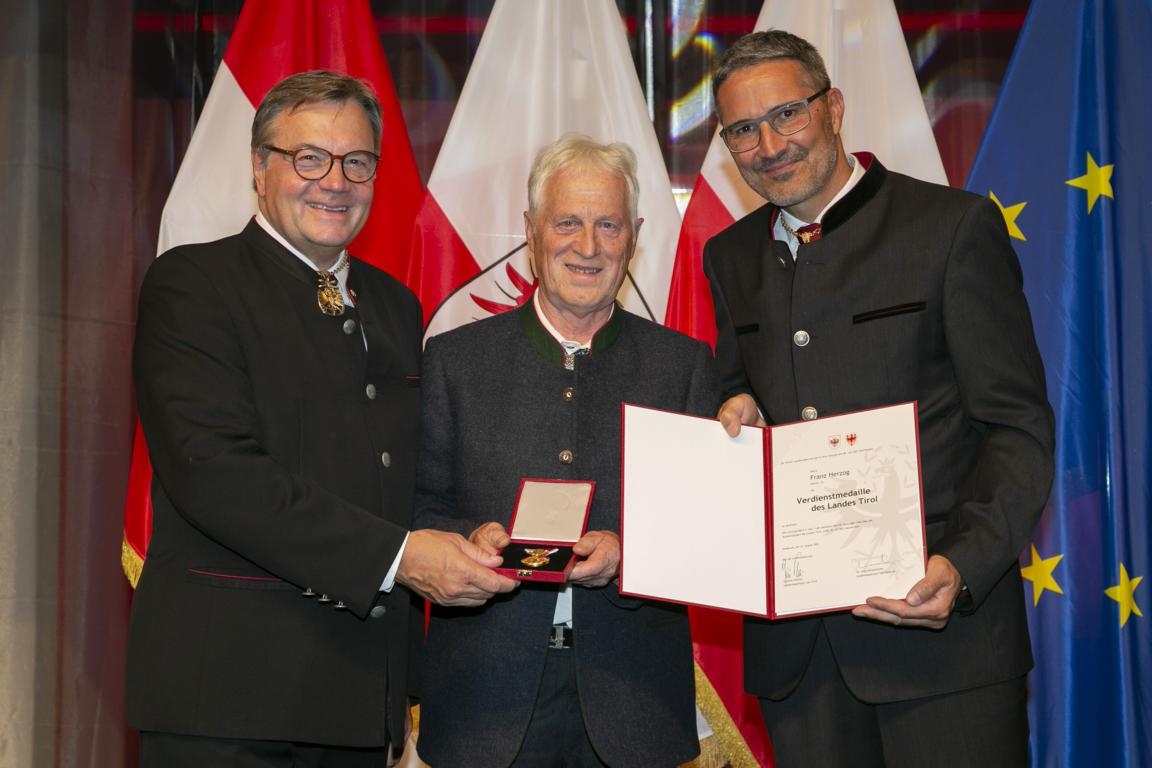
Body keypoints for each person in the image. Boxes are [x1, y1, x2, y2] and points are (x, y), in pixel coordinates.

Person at [126, 70, 516, 767]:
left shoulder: (394, 307)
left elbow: (390, 479)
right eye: (309, 157)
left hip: (362, 701)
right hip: (230, 702)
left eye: (357, 161)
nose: (334, 180)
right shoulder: (193, 285)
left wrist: (462, 533)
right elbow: (216, 475)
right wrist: (402, 557)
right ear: (258, 166)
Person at [703, 31, 1055, 768]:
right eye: (742, 129)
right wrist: (736, 405)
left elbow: (1016, 428)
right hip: (801, 659)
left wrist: (960, 565)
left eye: (788, 115)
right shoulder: (729, 257)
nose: (769, 144)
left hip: (945, 647)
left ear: (833, 107)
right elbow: (744, 383)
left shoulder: (952, 228)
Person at [412, 135, 718, 768]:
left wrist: (628, 557)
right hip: (482, 703)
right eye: (568, 223)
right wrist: (472, 538)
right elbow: (416, 507)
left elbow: (707, 535)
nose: (588, 246)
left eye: (608, 225)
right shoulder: (454, 362)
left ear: (634, 235)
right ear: (530, 231)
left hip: (635, 705)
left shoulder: (682, 367)